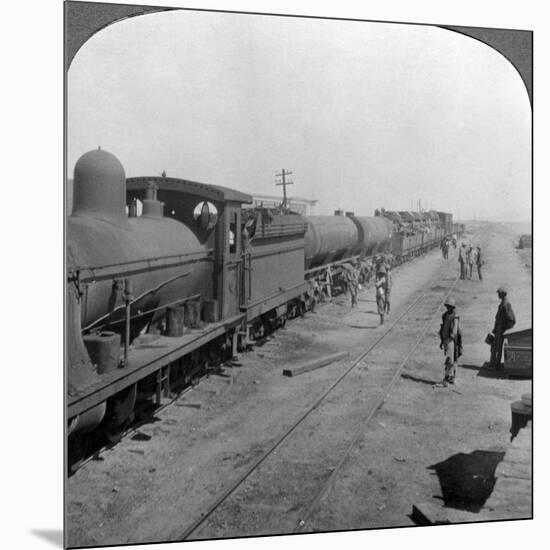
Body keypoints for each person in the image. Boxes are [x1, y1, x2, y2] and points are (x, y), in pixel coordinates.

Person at [490, 287, 516, 369]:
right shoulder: (503, 303)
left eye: (499, 293)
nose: (498, 295)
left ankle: (495, 365)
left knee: (497, 347)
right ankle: (495, 364)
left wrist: (505, 330)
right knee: (495, 346)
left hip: (501, 329)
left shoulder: (506, 304)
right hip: (498, 328)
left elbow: (511, 319)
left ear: (503, 294)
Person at [438, 297, 462, 385]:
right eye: (447, 306)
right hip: (446, 340)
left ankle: (449, 377)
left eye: (450, 306)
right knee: (450, 359)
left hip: (451, 340)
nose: (448, 308)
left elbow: (455, 330)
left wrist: (451, 339)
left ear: (453, 307)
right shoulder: (444, 316)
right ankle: (449, 377)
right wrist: (442, 341)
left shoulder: (455, 316)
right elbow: (443, 328)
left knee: (451, 360)